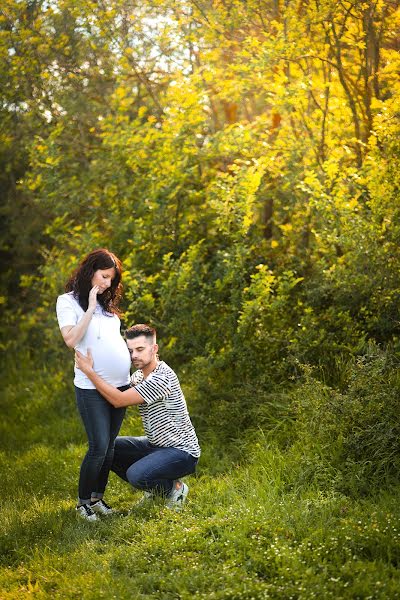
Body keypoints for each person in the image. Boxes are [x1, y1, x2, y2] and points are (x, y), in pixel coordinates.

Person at [75, 323, 200, 511]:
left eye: (140, 349)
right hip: (155, 445)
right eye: (130, 350)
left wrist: (90, 372)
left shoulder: (161, 378)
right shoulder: (139, 376)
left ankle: (174, 489)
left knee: (137, 475)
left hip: (182, 452)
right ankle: (155, 485)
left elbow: (118, 400)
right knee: (110, 448)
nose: (134, 356)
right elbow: (115, 391)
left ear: (154, 348)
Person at [56, 249, 131, 521]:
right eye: (104, 276)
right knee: (98, 446)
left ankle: (98, 499)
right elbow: (71, 340)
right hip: (90, 386)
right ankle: (82, 503)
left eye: (111, 279)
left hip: (120, 386)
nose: (107, 284)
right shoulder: (68, 302)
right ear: (90, 272)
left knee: (109, 447)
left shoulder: (107, 305)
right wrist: (88, 306)